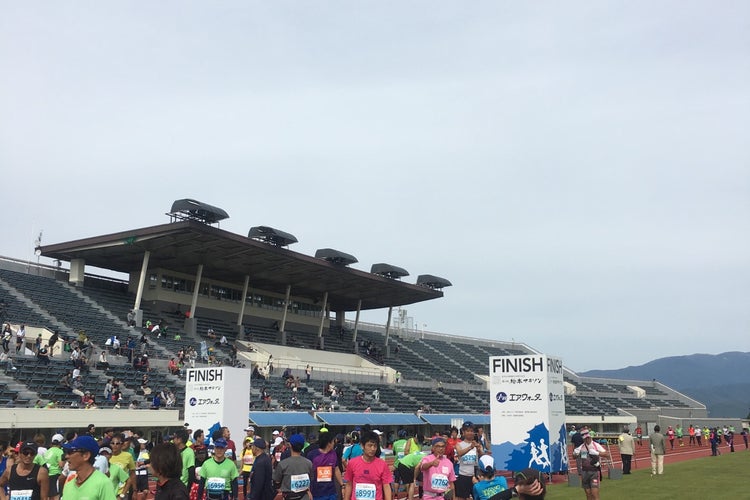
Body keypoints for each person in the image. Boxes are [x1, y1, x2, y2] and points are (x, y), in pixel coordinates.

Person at [61, 435, 115, 500]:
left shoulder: (103, 483)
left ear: (85, 456)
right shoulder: (68, 486)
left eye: (71, 452)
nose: (66, 456)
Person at [343, 431, 392, 500]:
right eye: (370, 445)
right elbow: (349, 484)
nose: (373, 449)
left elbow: (386, 486)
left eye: (375, 446)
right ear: (362, 446)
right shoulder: (352, 463)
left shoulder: (382, 465)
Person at [273, 434, 313, 500]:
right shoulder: (309, 463)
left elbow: (277, 481)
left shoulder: (283, 464)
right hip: (305, 496)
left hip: (288, 496)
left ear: (290, 445)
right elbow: (311, 479)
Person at [307, 430, 342, 500]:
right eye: (333, 441)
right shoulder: (312, 455)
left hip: (331, 492)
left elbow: (336, 469)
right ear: (329, 443)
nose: (334, 443)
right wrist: (308, 490)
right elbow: (307, 473)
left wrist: (342, 484)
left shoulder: (333, 454)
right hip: (317, 493)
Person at [573, 430, 607, 500]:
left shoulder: (596, 445)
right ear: (583, 438)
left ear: (590, 437)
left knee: (594, 493)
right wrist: (575, 454)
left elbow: (607, 454)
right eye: (585, 438)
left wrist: (597, 453)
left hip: (594, 472)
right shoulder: (581, 447)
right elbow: (574, 456)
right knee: (588, 494)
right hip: (585, 472)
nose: (587, 439)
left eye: (588, 437)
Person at [454, 421, 483, 500]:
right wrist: (470, 447)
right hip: (463, 476)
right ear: (463, 432)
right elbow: (459, 453)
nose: (470, 433)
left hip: (475, 476)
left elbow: (482, 457)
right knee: (461, 497)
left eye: (471, 431)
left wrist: (479, 449)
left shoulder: (477, 444)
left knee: (478, 497)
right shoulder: (459, 444)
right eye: (467, 431)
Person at [44, 433, 65, 500]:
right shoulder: (59, 451)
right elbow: (61, 464)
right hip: (56, 475)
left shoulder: (48, 451)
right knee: (56, 495)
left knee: (49, 495)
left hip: (47, 475)